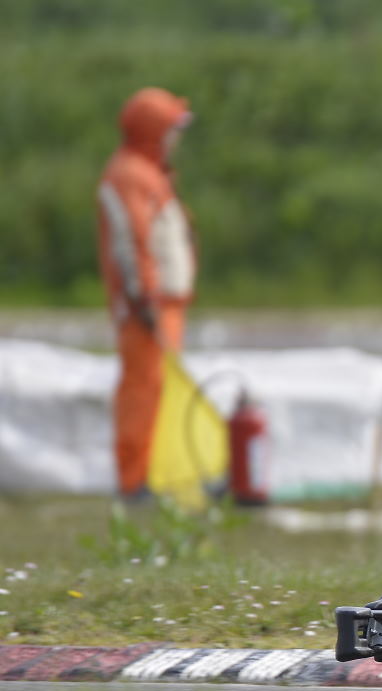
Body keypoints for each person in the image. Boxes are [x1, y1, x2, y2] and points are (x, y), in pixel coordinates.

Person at [96, 88, 197, 500]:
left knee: (160, 390)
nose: (176, 138)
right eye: (171, 128)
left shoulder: (149, 172)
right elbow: (133, 241)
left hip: (164, 305)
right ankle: (133, 480)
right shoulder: (129, 175)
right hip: (146, 307)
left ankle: (154, 473)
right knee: (141, 391)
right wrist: (144, 297)